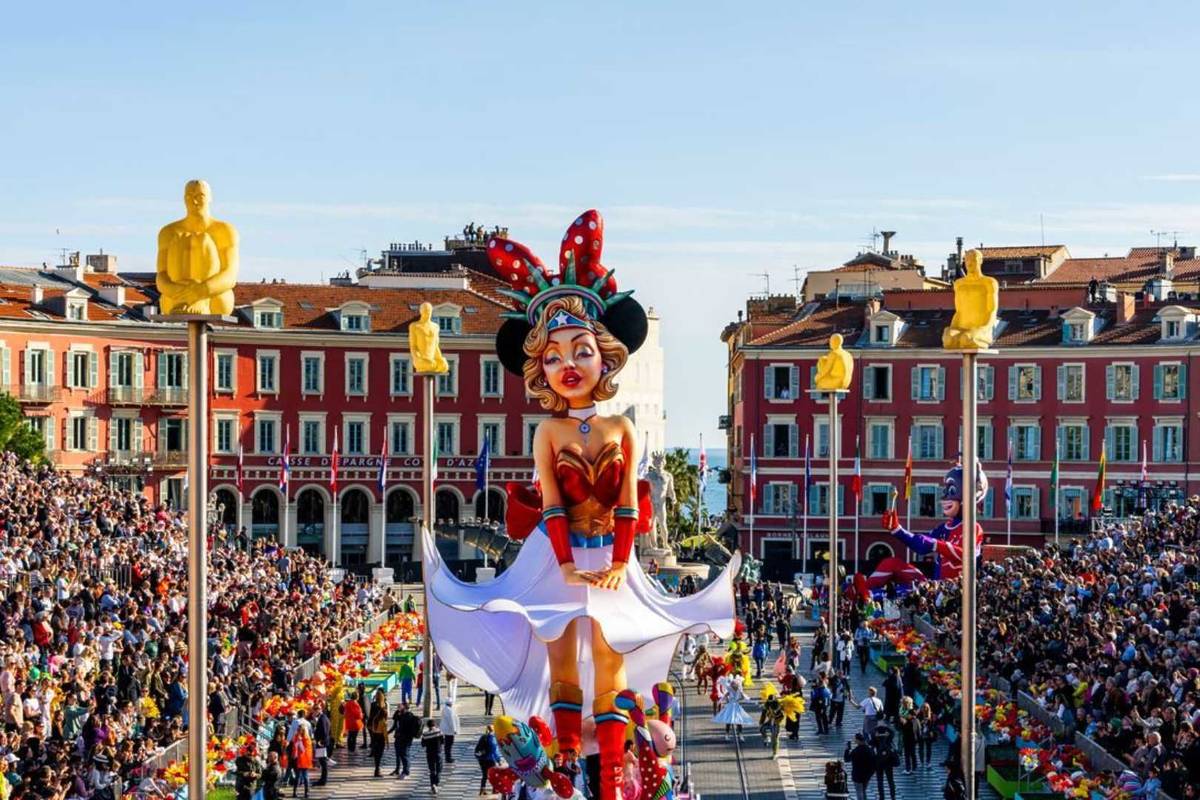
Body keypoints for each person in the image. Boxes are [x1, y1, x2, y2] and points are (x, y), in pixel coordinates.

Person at [420, 212, 740, 800]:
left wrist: (620, 559)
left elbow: (626, 502)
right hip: (556, 555)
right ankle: (566, 761)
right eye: (553, 356)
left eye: (581, 350)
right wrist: (565, 563)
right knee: (561, 661)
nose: (568, 365)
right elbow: (549, 506)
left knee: (611, 656)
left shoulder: (621, 425)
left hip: (611, 555)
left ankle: (614, 776)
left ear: (605, 356)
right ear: (539, 367)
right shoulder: (548, 433)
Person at [390, 702, 420, 778]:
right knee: (399, 754)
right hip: (399, 738)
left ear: (405, 707)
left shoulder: (408, 716)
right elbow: (396, 725)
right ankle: (398, 770)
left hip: (406, 739)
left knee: (405, 755)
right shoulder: (399, 714)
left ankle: (406, 772)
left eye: (401, 706)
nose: (398, 707)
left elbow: (405, 728)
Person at [844, 733, 876, 800]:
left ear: (858, 740)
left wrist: (847, 749)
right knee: (863, 791)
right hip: (867, 775)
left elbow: (846, 759)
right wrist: (870, 773)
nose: (854, 741)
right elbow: (874, 763)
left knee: (859, 792)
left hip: (857, 774)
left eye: (855, 739)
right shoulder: (869, 750)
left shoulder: (856, 751)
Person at [872, 722, 899, 800]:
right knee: (890, 780)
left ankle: (881, 797)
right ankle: (893, 796)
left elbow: (870, 741)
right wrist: (887, 728)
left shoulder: (875, 736)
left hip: (879, 761)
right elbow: (893, 733)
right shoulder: (889, 736)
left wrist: (875, 730)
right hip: (888, 760)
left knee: (880, 781)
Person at [474, 723, 501, 796]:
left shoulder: (483, 737)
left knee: (484, 775)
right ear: (493, 730)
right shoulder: (492, 738)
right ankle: (495, 789)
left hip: (482, 759)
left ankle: (482, 789)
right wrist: (498, 760)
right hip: (490, 760)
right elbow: (495, 751)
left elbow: (478, 748)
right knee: (495, 775)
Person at [367, 689, 388, 777]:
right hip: (381, 731)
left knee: (376, 749)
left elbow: (371, 716)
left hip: (374, 730)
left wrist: (369, 725)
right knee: (380, 750)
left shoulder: (373, 705)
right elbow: (386, 719)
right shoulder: (384, 706)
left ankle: (377, 768)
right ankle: (377, 769)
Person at [421, 718, 445, 794]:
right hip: (438, 752)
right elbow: (443, 741)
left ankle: (432, 785)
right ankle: (436, 784)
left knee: (432, 770)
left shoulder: (425, 734)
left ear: (428, 726)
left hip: (429, 754)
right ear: (435, 724)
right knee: (439, 769)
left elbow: (423, 744)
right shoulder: (439, 732)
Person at [898, 696, 920, 775]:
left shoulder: (908, 715)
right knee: (912, 753)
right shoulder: (912, 714)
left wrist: (904, 722)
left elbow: (904, 727)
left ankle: (908, 769)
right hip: (912, 737)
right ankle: (914, 768)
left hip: (908, 736)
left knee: (907, 753)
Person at [312, 705, 331, 786]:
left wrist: (321, 741)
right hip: (323, 742)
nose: (313, 713)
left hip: (321, 743)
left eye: (314, 711)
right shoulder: (324, 717)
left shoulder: (322, 718)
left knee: (323, 762)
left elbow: (324, 731)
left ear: (318, 710)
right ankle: (323, 779)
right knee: (322, 761)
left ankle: (323, 780)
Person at [440, 698, 460, 763]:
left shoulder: (445, 709)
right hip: (449, 730)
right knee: (449, 744)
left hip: (446, 730)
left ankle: (448, 757)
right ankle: (448, 758)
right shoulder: (449, 710)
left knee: (447, 744)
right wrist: (454, 729)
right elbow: (451, 721)